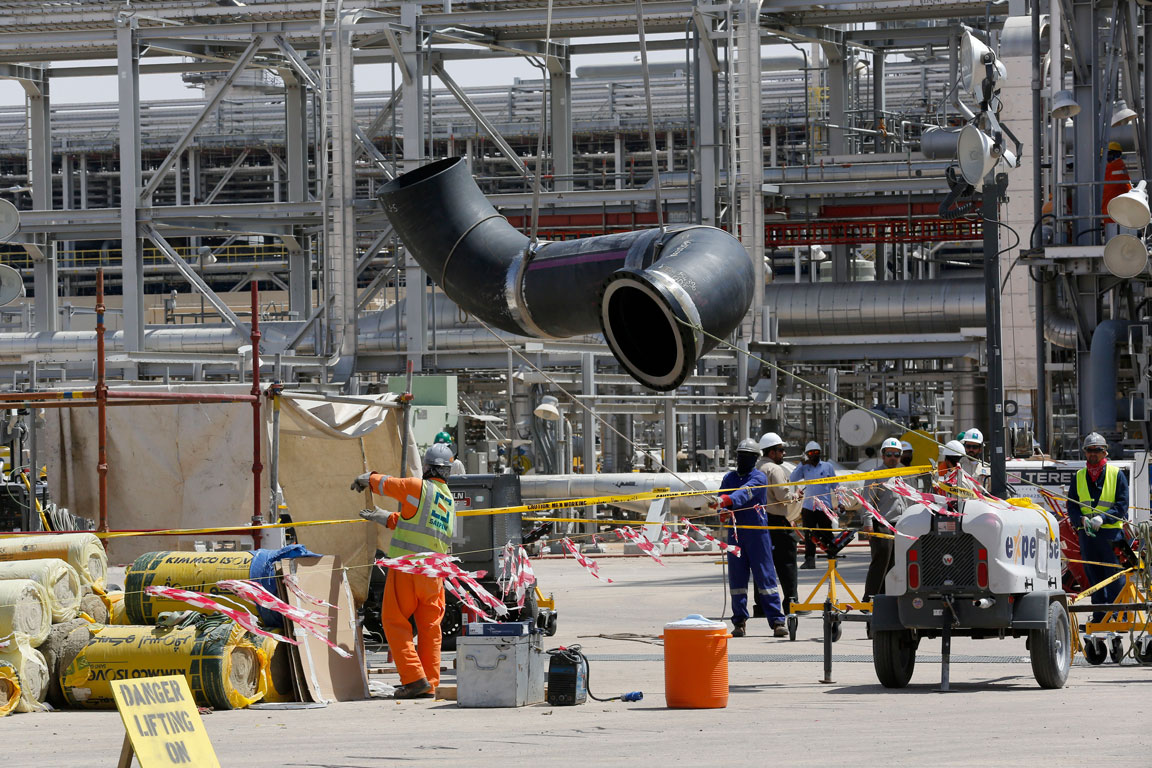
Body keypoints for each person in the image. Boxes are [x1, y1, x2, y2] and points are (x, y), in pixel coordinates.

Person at [353, 444, 457, 699]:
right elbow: (418, 522)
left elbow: (390, 484)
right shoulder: (448, 499)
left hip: (409, 569)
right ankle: (429, 683)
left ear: (428, 467)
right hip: (434, 574)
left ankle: (412, 678)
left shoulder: (417, 487)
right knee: (431, 629)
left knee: (394, 622)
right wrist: (387, 518)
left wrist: (368, 479)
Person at [713, 438, 787, 637]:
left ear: (755, 458)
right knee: (737, 579)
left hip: (757, 534)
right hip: (735, 534)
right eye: (739, 455)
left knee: (765, 577)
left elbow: (744, 494)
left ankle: (777, 621)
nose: (741, 459)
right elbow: (724, 498)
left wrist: (726, 500)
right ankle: (739, 622)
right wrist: (721, 508)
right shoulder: (729, 478)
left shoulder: (759, 477)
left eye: (746, 456)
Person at [1066, 432, 1129, 622]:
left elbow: (1122, 504)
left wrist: (1103, 518)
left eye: (1097, 450)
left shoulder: (1116, 474)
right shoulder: (1079, 476)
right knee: (1095, 577)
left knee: (1116, 574)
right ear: (1085, 453)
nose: (1093, 454)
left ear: (1105, 453)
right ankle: (1100, 615)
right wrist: (1081, 521)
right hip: (1088, 535)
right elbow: (1072, 505)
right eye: (1090, 450)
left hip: (1113, 534)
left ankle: (1119, 615)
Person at [862, 438, 908, 602]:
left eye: (896, 454)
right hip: (881, 524)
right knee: (881, 560)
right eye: (889, 454)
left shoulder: (899, 475)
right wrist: (868, 524)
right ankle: (869, 599)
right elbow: (867, 501)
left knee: (894, 564)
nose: (893, 457)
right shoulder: (875, 475)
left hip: (899, 524)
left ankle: (885, 599)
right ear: (883, 455)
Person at [756, 432, 797, 615]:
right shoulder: (774, 469)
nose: (783, 454)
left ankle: (761, 606)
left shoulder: (755, 468)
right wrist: (795, 496)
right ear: (771, 453)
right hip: (777, 522)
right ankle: (791, 603)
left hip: (758, 521)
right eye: (781, 450)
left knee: (763, 564)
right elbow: (783, 496)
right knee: (787, 564)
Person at [790, 440, 839, 569]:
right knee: (809, 534)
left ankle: (832, 557)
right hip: (809, 506)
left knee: (826, 533)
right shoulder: (804, 467)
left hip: (824, 506)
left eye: (816, 452)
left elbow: (835, 485)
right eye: (810, 453)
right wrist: (801, 463)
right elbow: (792, 478)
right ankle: (809, 560)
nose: (814, 455)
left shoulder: (827, 467)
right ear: (807, 454)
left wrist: (840, 502)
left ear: (820, 453)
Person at [1102, 141, 1132, 236]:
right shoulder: (1116, 166)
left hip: (1114, 208)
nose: (1105, 158)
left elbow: (1110, 187)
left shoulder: (1115, 166)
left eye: (1107, 154)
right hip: (1113, 208)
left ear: (1115, 154)